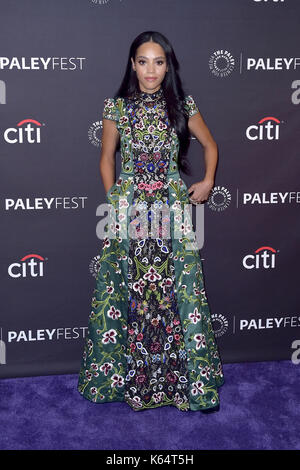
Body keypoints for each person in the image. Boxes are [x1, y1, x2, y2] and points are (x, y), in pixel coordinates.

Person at [77, 31, 225, 412]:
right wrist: (115, 199)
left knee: (177, 294)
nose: (151, 70)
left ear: (168, 65)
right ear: (132, 64)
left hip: (170, 211)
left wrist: (207, 181)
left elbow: (211, 145)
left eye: (158, 62)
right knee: (131, 293)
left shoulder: (183, 104)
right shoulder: (116, 108)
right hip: (131, 213)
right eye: (143, 61)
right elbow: (106, 158)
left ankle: (182, 380)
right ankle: (126, 380)